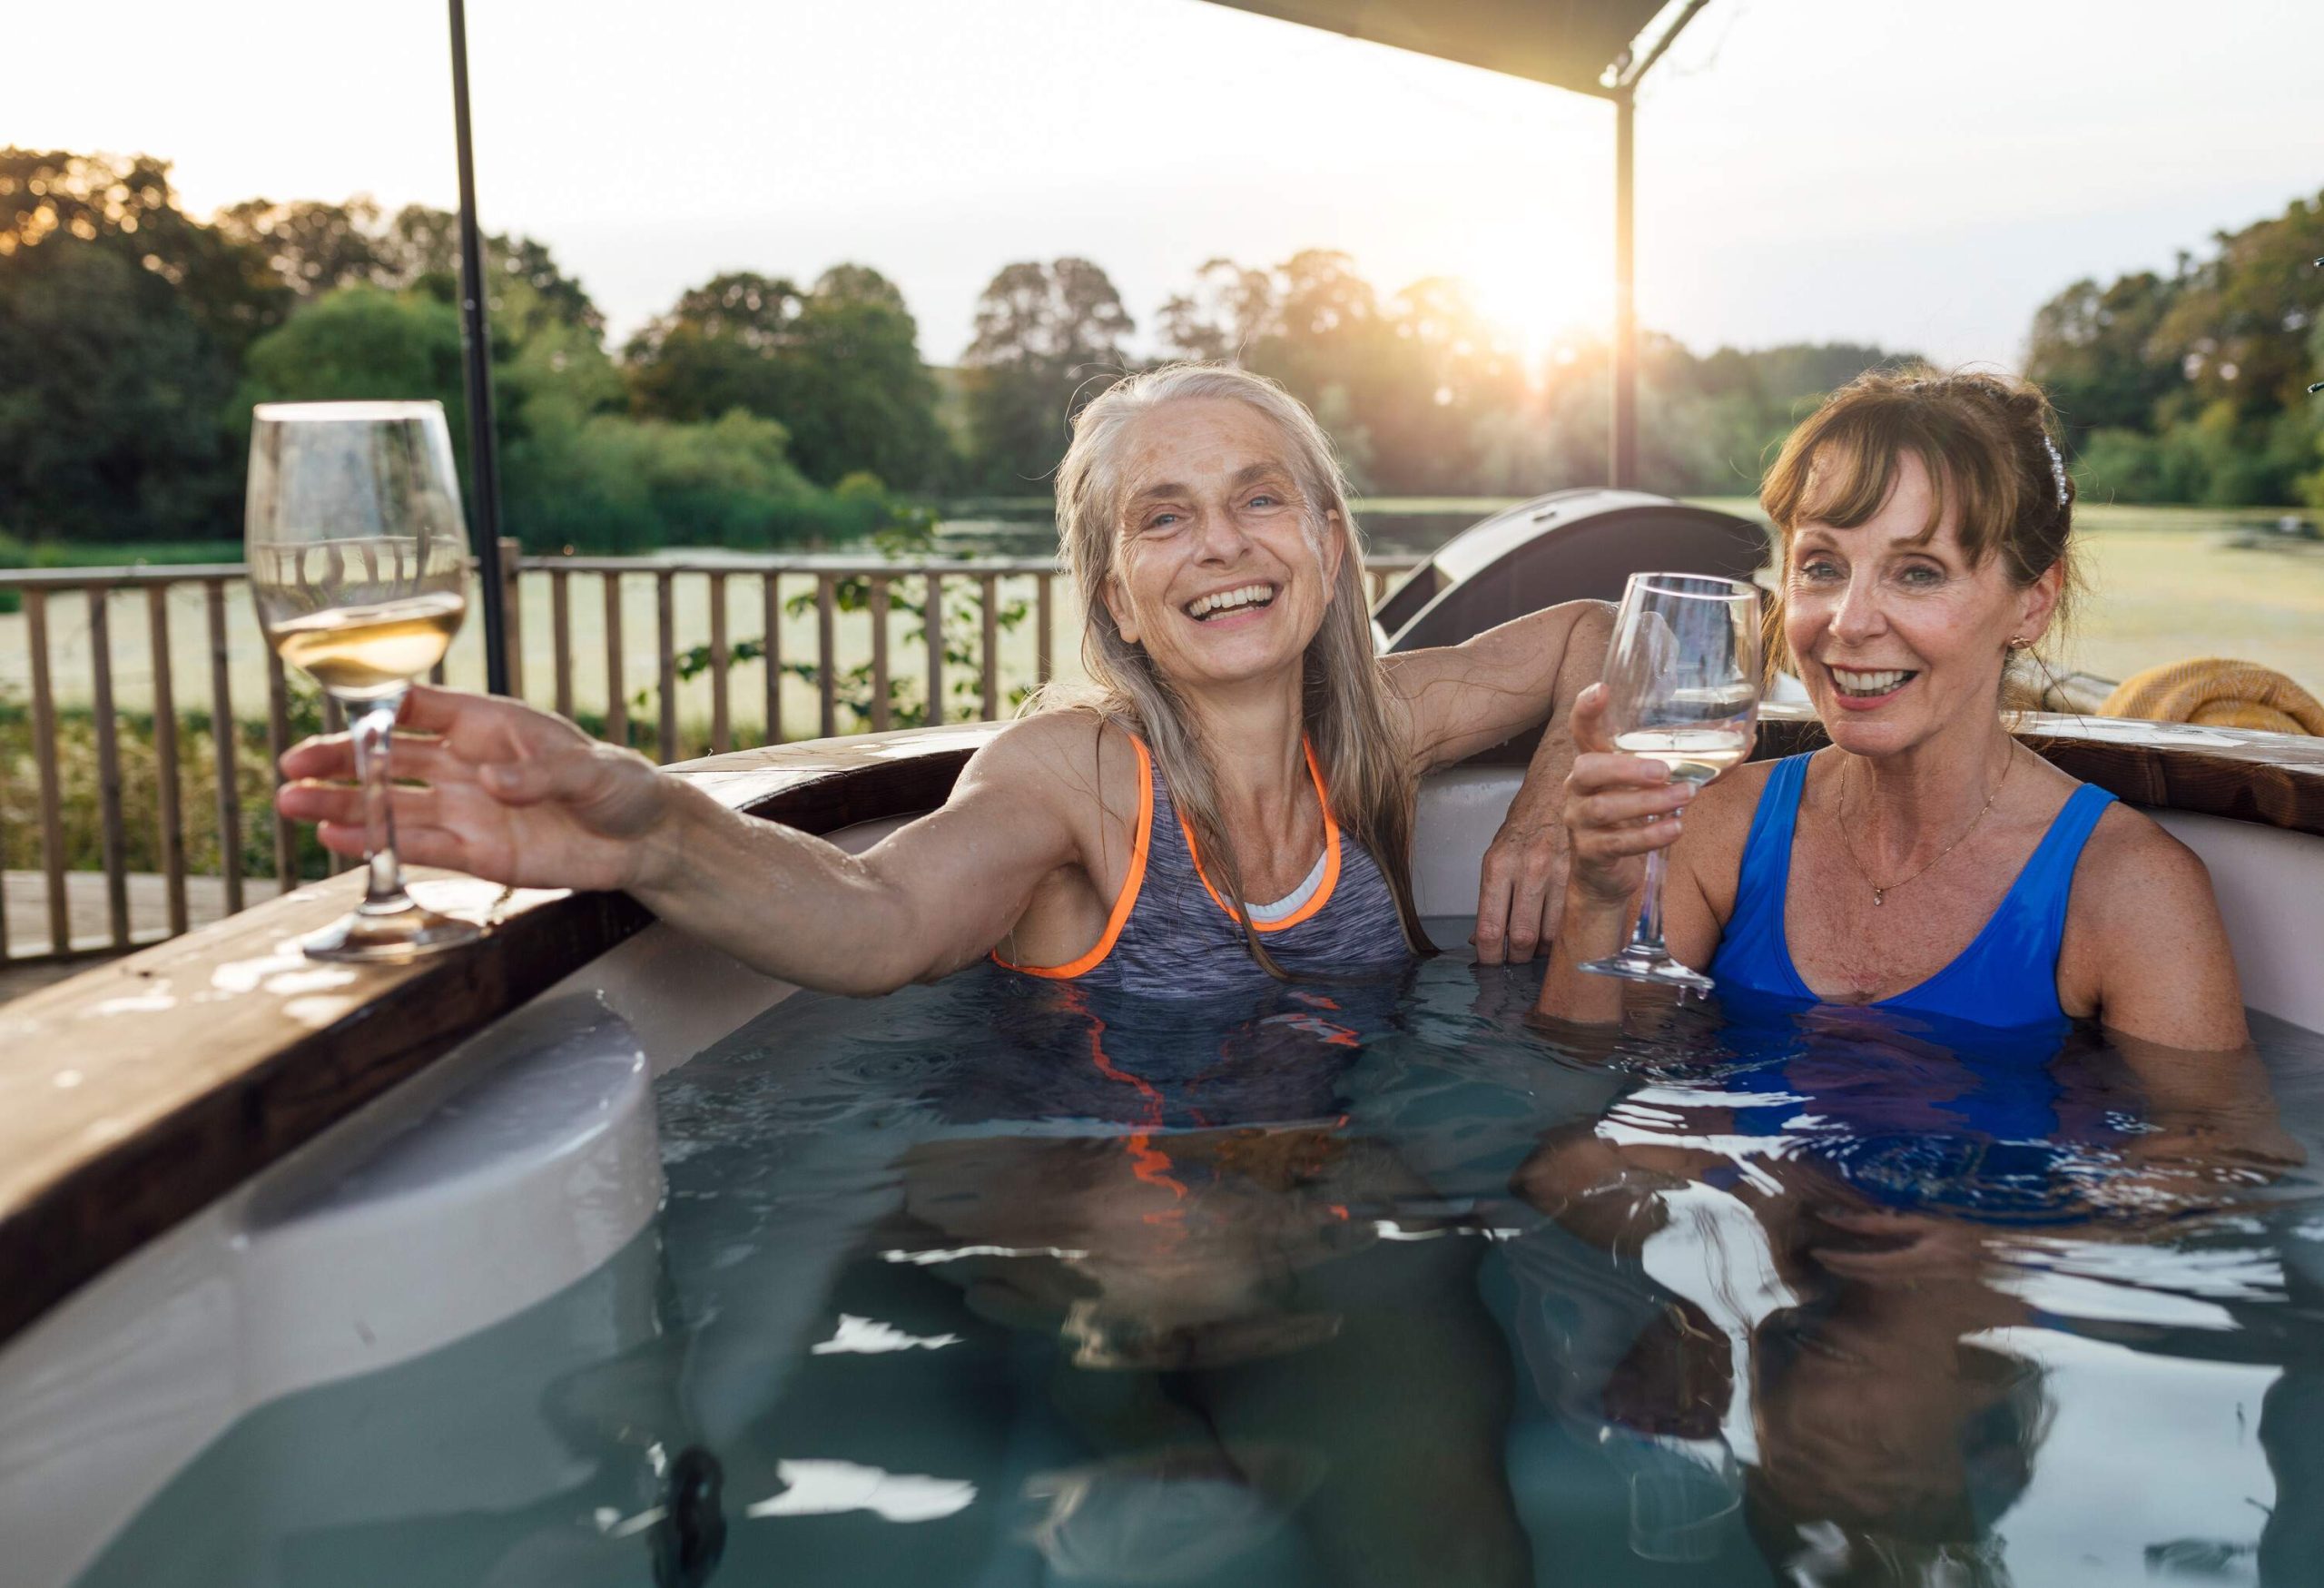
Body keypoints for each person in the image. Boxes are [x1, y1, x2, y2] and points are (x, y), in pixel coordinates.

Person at [277, 362, 1608, 996]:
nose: (1220, 544)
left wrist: (1550, 805)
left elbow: (1597, 629)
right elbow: (880, 915)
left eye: (1260, 499)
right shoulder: (1076, 777)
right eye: (1162, 517)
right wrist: (652, 828)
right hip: (1115, 1241)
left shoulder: (1374, 729)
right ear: (1116, 603)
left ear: (1327, 541)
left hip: (1338, 1208)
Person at [1537, 369, 2249, 1050]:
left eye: (1917, 572)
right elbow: (1595, 1098)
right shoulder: (1719, 827)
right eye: (1822, 566)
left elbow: (2197, 1165)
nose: (1849, 621)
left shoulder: (2132, 892)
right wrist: (1597, 897)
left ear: (2033, 601)